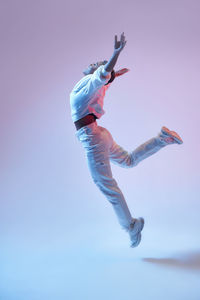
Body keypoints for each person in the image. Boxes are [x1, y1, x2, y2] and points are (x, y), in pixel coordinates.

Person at [70, 32, 183, 248]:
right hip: (98, 134)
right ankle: (163, 139)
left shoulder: (90, 84)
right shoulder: (90, 85)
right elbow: (104, 76)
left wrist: (114, 55)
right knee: (128, 161)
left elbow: (102, 74)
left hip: (93, 138)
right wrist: (114, 74)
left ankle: (130, 226)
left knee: (107, 187)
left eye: (98, 64)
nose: (95, 63)